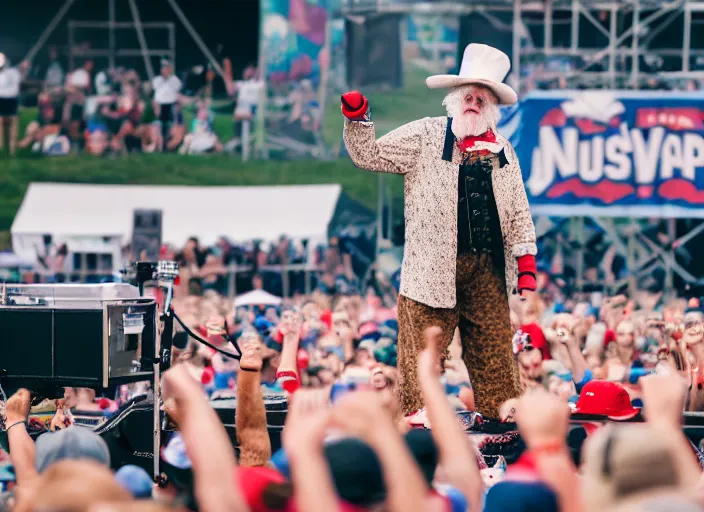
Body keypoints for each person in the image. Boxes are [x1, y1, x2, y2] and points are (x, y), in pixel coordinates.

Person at [340, 43, 538, 418]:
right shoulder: (426, 135)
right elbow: (370, 156)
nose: (474, 103)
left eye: (482, 99)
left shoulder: (502, 150)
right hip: (429, 270)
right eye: (468, 96)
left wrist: (525, 260)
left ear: (491, 108)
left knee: (494, 351)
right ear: (454, 99)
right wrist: (358, 119)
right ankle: (418, 423)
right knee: (422, 354)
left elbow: (517, 209)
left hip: (486, 270)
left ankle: (503, 422)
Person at [0, 53, 26, 156]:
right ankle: (2, 148)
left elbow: (18, 84)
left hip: (11, 100)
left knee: (13, 123)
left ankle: (12, 149)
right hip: (1, 99)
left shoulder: (14, 72)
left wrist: (23, 70)